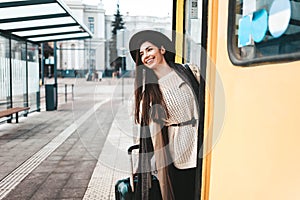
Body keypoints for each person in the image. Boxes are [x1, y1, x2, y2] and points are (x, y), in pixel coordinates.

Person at [129, 30, 202, 200]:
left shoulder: (189, 71)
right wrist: (144, 166)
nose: (145, 56)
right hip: (179, 153)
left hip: (202, 143)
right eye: (141, 54)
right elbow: (148, 135)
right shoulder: (149, 93)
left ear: (162, 49)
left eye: (149, 49)